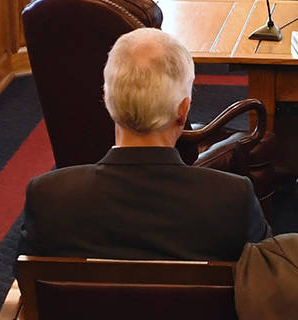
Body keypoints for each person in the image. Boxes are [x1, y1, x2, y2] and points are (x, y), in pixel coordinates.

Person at [22, 27, 268, 260]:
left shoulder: (48, 198)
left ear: (108, 100)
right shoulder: (232, 199)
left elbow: (29, 284)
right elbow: (265, 284)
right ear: (183, 111)